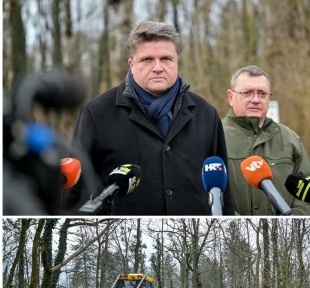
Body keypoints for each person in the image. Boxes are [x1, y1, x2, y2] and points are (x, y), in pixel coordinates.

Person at [69, 21, 233, 215]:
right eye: (147, 60)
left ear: (177, 61)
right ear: (131, 64)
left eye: (166, 59)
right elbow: (75, 189)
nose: (158, 67)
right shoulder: (96, 113)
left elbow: (223, 191)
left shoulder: (206, 114)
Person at [222, 65, 310, 215]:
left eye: (262, 94)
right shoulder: (213, 136)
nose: (256, 100)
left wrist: (292, 223)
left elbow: (309, 196)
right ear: (231, 97)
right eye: (247, 93)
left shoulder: (290, 139)